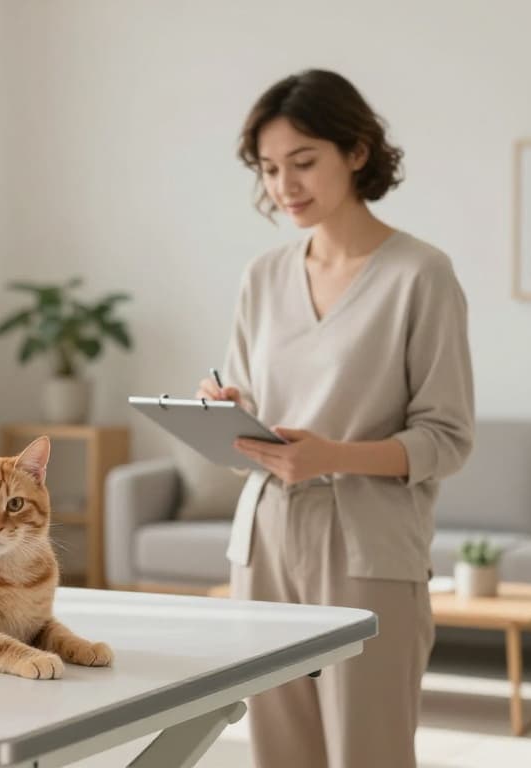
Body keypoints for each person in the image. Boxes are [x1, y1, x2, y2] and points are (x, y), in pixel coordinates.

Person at [195, 69, 474, 768]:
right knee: (280, 749)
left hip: (368, 543)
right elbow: (256, 420)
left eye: (303, 162)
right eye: (269, 169)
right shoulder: (261, 276)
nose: (284, 185)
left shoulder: (420, 275)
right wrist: (227, 415)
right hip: (263, 538)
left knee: (368, 748)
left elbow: (448, 438)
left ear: (356, 152)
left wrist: (334, 456)